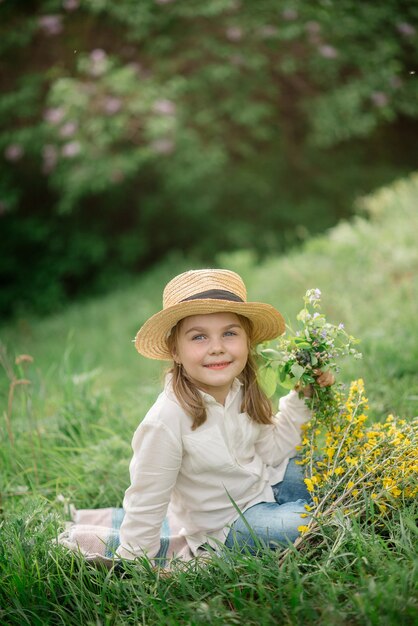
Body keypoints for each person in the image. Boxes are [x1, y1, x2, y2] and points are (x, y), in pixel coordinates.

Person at [115, 269, 334, 562]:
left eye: (229, 333)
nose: (217, 348)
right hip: (226, 525)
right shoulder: (166, 419)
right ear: (175, 351)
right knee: (305, 525)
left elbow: (273, 451)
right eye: (199, 337)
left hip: (266, 484)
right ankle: (310, 517)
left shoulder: (242, 389)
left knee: (332, 474)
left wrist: (303, 395)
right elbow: (147, 500)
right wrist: (136, 559)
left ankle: (326, 506)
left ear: (247, 342)